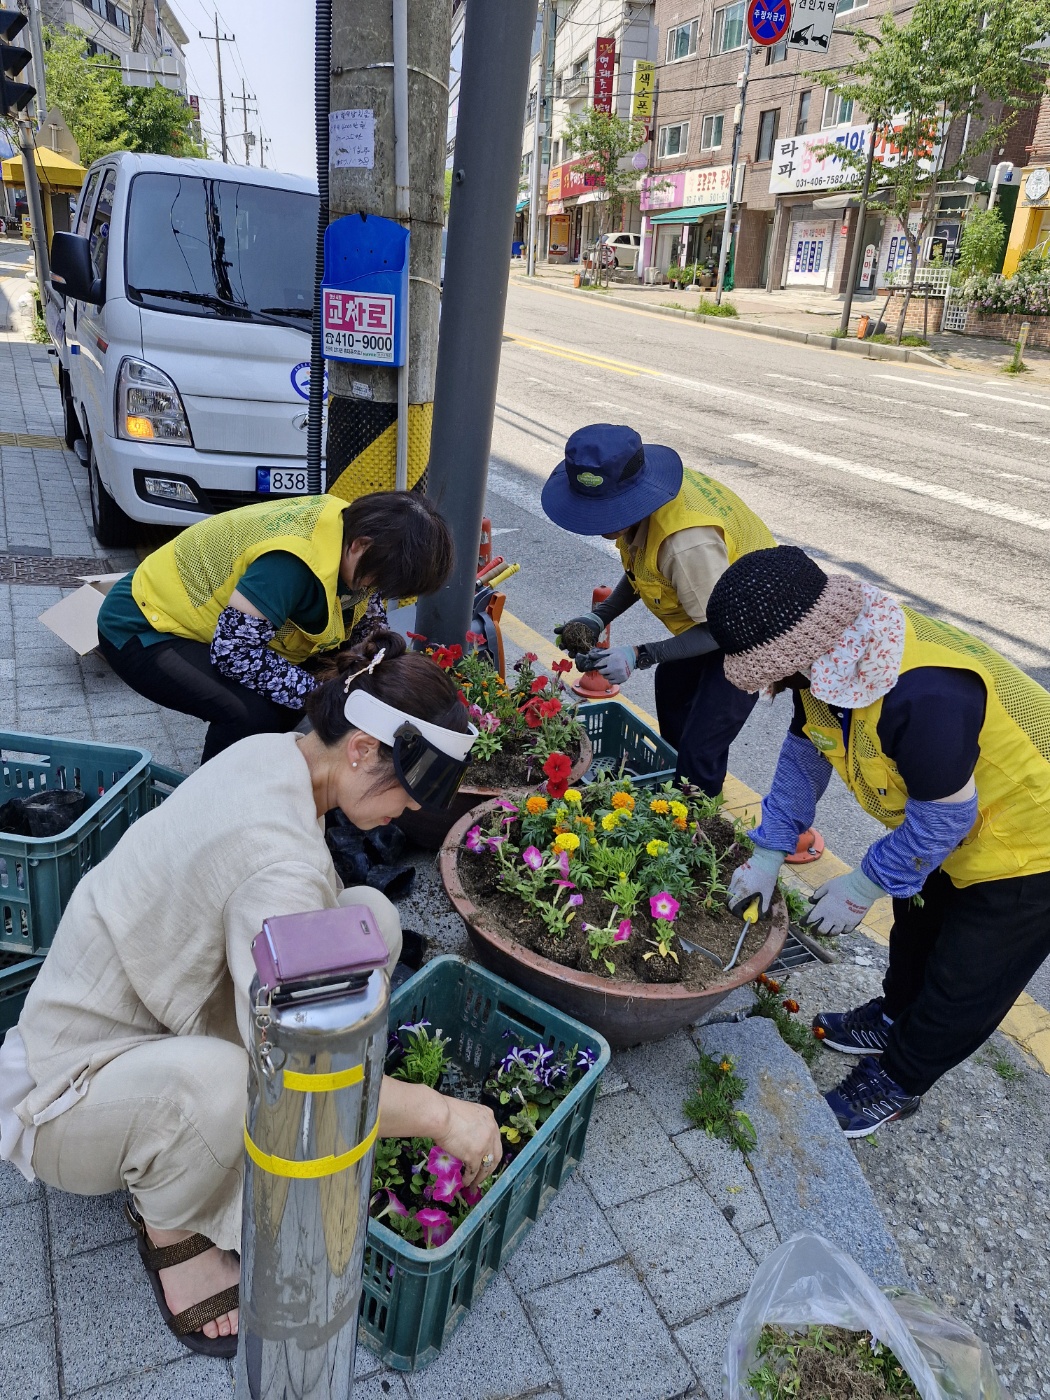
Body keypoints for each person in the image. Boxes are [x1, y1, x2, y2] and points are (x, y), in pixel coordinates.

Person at [0, 632, 501, 1357]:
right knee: (222, 1089)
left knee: (372, 920)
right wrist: (442, 1114)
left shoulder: (276, 752)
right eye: (407, 795)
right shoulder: (280, 865)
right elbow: (309, 1078)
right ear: (360, 749)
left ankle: (190, 1138)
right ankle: (172, 1226)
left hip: (152, 1011)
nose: (408, 817)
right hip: (63, 1093)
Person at [706, 545, 1050, 1137]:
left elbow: (942, 821)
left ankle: (900, 1080)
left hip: (1030, 844)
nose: (770, 686)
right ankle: (893, 1016)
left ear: (800, 650)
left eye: (769, 671)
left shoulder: (924, 695)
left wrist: (863, 883)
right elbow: (806, 749)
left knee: (964, 978)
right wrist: (768, 849)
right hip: (957, 831)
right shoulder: (836, 658)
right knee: (916, 930)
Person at [96, 490, 454, 762]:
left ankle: (251, 775)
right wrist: (333, 698)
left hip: (209, 627)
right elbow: (234, 653)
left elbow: (363, 609)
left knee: (297, 695)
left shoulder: (356, 535)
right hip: (143, 624)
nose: (375, 591)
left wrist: (377, 647)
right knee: (249, 712)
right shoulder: (290, 564)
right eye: (377, 581)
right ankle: (209, 805)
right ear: (361, 545)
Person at [543, 422, 775, 797]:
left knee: (701, 746)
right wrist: (598, 616)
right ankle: (675, 787)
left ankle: (696, 813)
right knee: (672, 686)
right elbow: (645, 568)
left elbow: (720, 630)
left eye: (603, 511)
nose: (598, 521)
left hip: (748, 631)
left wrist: (638, 655)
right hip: (710, 608)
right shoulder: (645, 504)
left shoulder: (685, 544)